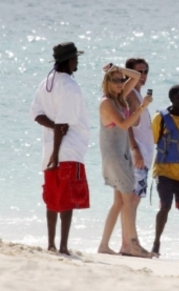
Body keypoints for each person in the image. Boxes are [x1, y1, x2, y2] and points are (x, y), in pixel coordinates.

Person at [30, 42, 90, 255]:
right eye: (76, 59)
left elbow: (36, 115)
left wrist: (52, 144)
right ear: (70, 61)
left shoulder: (46, 82)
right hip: (68, 151)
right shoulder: (70, 86)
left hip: (49, 151)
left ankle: (51, 244)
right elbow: (64, 125)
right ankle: (63, 246)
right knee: (67, 199)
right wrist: (57, 153)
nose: (77, 62)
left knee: (52, 197)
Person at [97, 62, 152, 258]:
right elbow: (123, 125)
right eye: (116, 81)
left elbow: (136, 76)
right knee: (128, 198)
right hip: (114, 156)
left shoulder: (119, 98)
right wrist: (143, 107)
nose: (121, 84)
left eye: (121, 80)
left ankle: (103, 245)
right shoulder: (107, 102)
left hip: (122, 154)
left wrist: (118, 68)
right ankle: (133, 245)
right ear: (107, 83)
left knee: (119, 202)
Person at [151, 84, 179, 262]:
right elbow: (154, 140)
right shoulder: (159, 119)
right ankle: (156, 243)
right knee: (165, 207)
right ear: (172, 100)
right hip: (165, 171)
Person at [125, 58, 154, 208]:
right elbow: (126, 125)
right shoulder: (130, 95)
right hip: (137, 157)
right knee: (131, 202)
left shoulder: (137, 95)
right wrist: (135, 149)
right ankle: (129, 233)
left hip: (142, 157)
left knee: (129, 203)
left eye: (145, 72)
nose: (143, 75)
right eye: (139, 72)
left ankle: (126, 232)